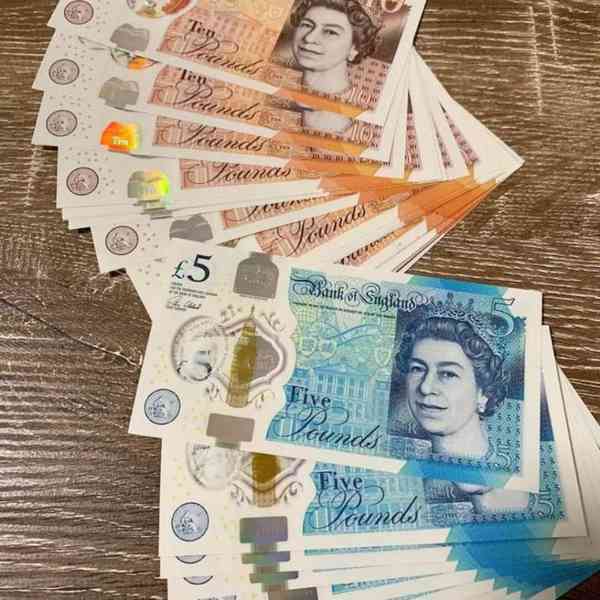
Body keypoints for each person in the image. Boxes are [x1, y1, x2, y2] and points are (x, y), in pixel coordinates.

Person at [396, 316, 529, 513]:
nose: (425, 387)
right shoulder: (406, 477)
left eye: (448, 374)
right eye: (417, 369)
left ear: (484, 393)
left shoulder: (519, 485)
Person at [288, 0, 381, 133]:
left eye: (330, 32)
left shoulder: (362, 117)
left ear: (356, 48)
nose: (309, 38)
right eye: (307, 25)